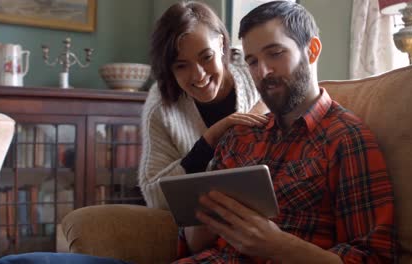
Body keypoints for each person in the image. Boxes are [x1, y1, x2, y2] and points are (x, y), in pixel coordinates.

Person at [174, 1, 397, 263]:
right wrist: (208, 210)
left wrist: (280, 246)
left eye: (275, 53)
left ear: (312, 50)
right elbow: (195, 243)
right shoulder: (240, 138)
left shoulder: (346, 139)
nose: (263, 72)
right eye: (253, 61)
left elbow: (375, 258)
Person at [139, 1, 269, 209]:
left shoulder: (257, 79)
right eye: (181, 65)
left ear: (220, 44)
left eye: (206, 57)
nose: (199, 75)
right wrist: (209, 141)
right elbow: (155, 197)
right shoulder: (162, 106)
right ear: (169, 68)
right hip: (202, 222)